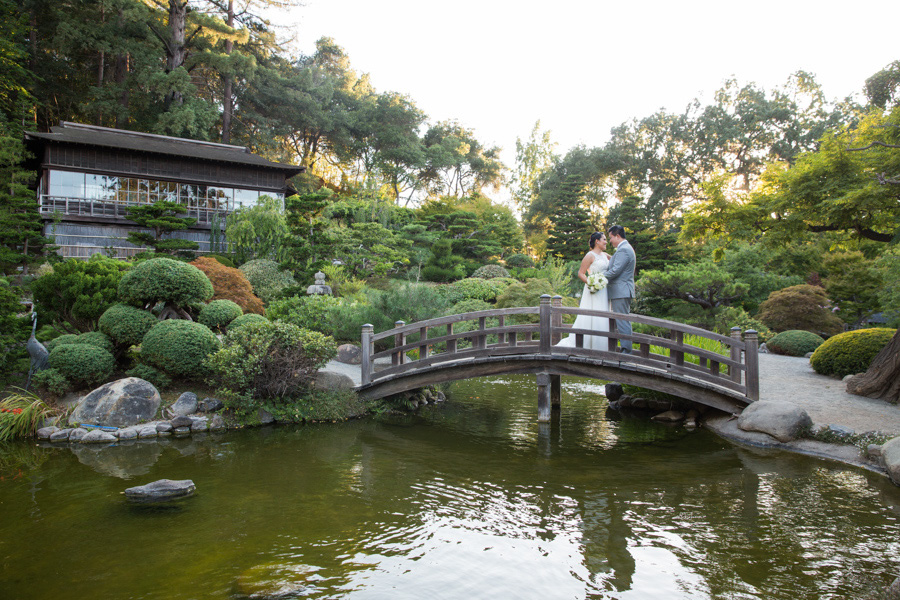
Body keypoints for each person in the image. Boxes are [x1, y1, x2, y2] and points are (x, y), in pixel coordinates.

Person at [556, 232, 610, 351]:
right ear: (597, 241)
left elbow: (617, 263)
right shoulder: (590, 255)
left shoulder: (606, 255)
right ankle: (586, 345)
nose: (606, 242)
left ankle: (600, 346)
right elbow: (580, 273)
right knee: (592, 314)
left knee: (602, 315)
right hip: (593, 289)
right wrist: (591, 283)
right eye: (604, 239)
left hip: (603, 290)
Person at [605, 225, 636, 353]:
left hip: (621, 291)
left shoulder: (624, 250)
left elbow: (616, 270)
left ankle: (626, 351)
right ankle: (625, 349)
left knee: (622, 321)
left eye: (611, 237)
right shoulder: (624, 249)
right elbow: (619, 264)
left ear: (617, 236)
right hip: (621, 291)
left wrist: (598, 278)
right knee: (622, 320)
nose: (610, 240)